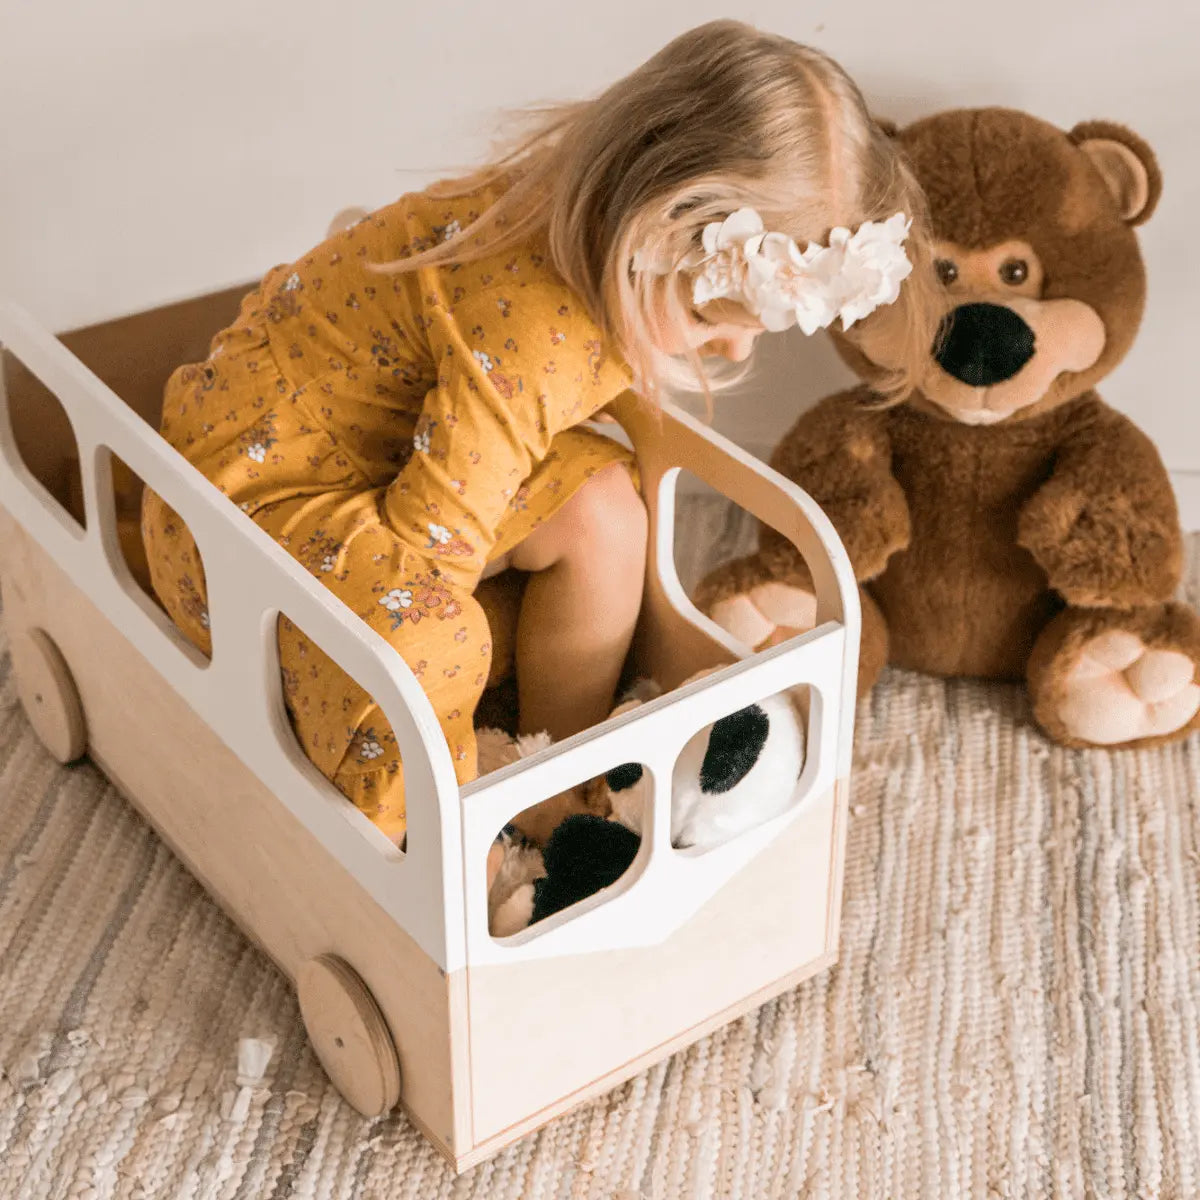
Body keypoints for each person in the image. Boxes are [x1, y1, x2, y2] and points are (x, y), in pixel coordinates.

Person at [142, 19, 941, 845]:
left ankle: (553, 762)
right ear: (650, 234)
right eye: (709, 318)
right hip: (252, 494)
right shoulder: (535, 334)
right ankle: (439, 850)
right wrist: (444, 678)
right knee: (427, 637)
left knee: (604, 506)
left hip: (384, 454)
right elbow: (428, 554)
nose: (736, 348)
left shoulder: (576, 226)